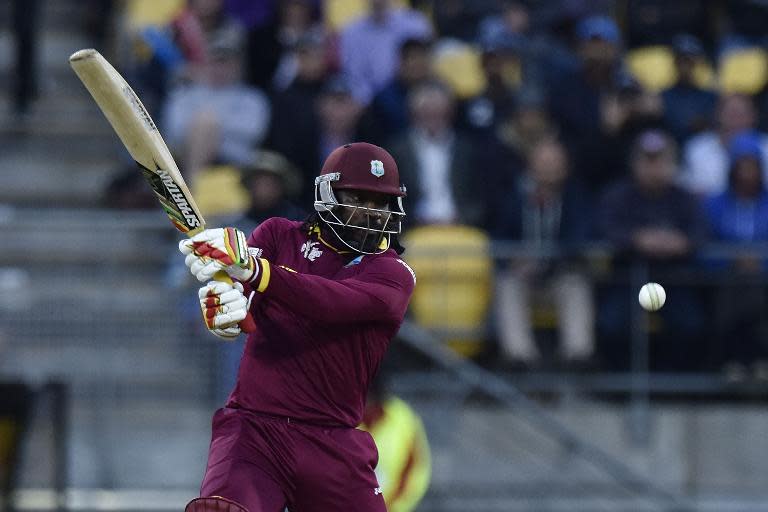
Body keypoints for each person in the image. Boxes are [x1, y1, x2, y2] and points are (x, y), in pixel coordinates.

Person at [179, 142, 416, 512]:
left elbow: (330, 302)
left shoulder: (393, 275)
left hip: (332, 442)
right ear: (327, 194)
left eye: (379, 203)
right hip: (253, 430)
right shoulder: (277, 235)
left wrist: (257, 272)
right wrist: (222, 310)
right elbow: (241, 303)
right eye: (357, 197)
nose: (368, 212)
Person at [596, 130, 708, 371]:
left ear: (673, 163)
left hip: (676, 280)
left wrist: (681, 242)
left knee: (691, 325)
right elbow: (606, 231)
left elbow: (700, 233)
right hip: (627, 279)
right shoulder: (617, 195)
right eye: (647, 160)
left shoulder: (684, 198)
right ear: (634, 163)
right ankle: (622, 385)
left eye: (661, 160)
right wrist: (637, 240)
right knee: (611, 324)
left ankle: (672, 385)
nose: (654, 167)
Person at [491, 137, 595, 369]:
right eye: (543, 162)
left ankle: (577, 357)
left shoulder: (576, 196)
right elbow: (498, 236)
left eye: (555, 162)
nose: (549, 168)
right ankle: (520, 360)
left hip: (560, 274)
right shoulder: (514, 195)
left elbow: (582, 238)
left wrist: (545, 262)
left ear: (566, 167)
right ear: (530, 165)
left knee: (576, 284)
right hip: (521, 276)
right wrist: (514, 258)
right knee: (507, 284)